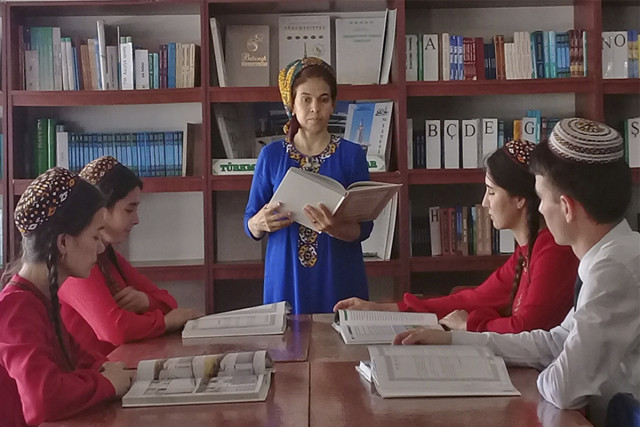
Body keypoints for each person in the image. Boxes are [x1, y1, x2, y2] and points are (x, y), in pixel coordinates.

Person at [393, 118, 639, 427]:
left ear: (566, 207)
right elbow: (554, 342)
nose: (539, 209)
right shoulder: (612, 256)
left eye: (542, 198)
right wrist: (456, 340)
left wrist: (538, 374)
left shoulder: (614, 270)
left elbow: (563, 388)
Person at [335, 139, 579, 333]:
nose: (484, 203)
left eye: (491, 192)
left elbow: (525, 328)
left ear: (519, 199)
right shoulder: (528, 251)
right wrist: (383, 309)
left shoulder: (553, 252)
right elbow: (473, 300)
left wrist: (471, 323)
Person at [0, 168, 134, 426]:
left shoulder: (39, 299)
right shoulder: (15, 308)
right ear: (63, 243)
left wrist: (104, 370)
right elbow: (43, 399)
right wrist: (106, 382)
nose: (100, 247)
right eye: (95, 236)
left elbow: (80, 360)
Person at [244, 57, 373, 314]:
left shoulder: (352, 155)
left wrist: (336, 228)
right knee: (286, 337)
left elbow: (364, 228)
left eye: (323, 99)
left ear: (333, 104)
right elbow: (250, 221)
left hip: (337, 273)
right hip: (286, 273)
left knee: (340, 337)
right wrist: (259, 223)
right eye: (306, 99)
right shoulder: (271, 155)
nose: (315, 108)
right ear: (291, 103)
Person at [59, 156, 201, 356]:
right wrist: (165, 322)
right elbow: (114, 329)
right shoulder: (77, 261)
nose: (136, 220)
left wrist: (145, 302)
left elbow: (169, 302)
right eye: (129, 210)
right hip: (96, 369)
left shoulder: (108, 256)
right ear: (101, 210)